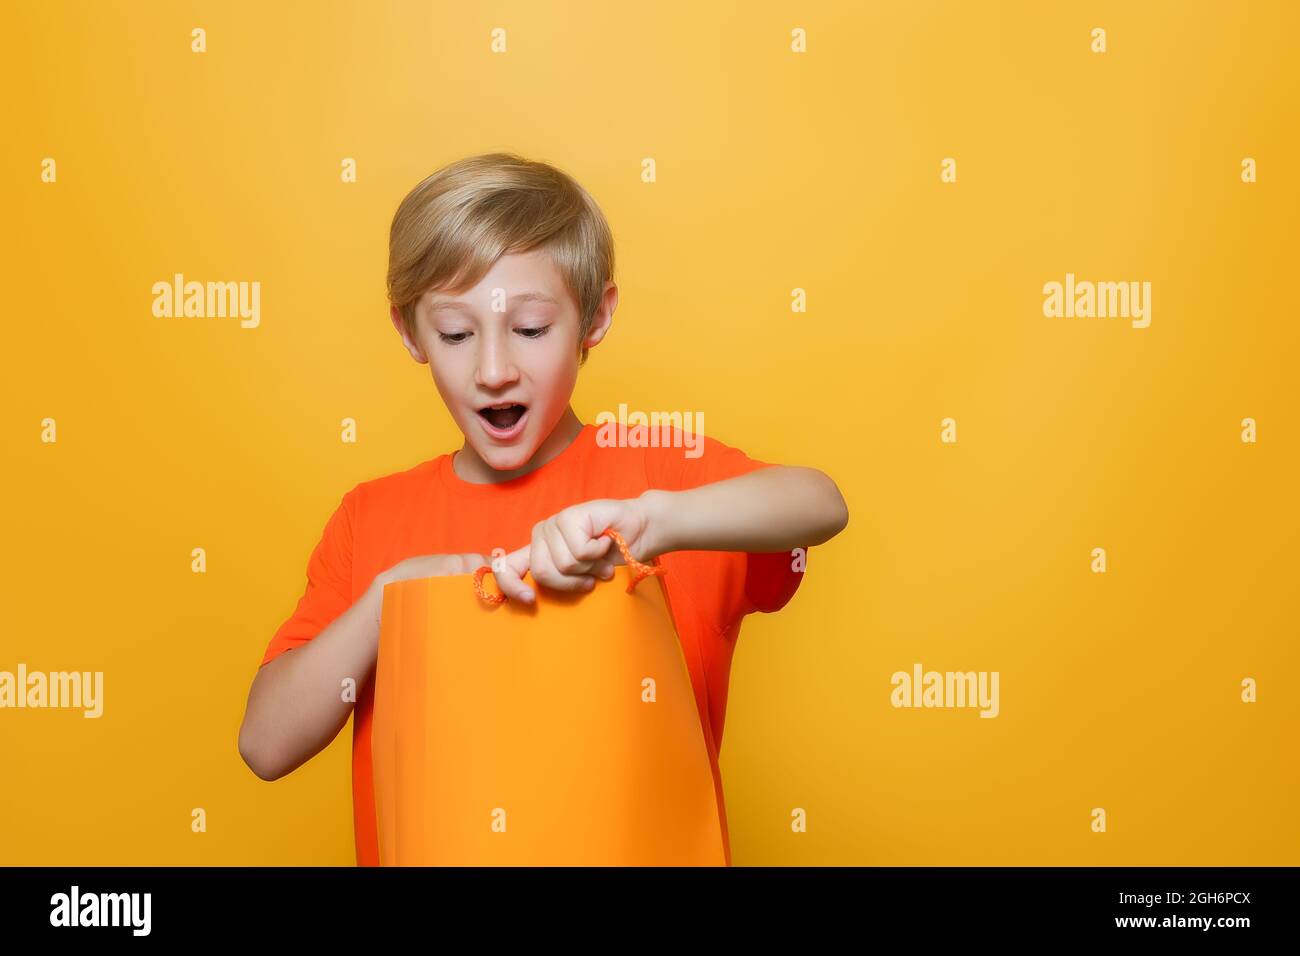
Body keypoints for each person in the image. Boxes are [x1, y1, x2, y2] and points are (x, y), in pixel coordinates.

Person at [237, 152, 850, 866]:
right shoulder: (371, 519)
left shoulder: (655, 473)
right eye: (457, 335)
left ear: (595, 317)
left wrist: (656, 520)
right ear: (409, 333)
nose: (494, 368)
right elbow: (264, 744)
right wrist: (385, 601)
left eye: (529, 329)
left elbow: (820, 502)